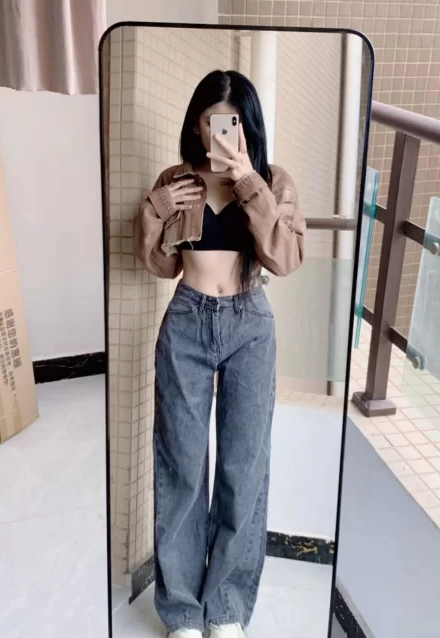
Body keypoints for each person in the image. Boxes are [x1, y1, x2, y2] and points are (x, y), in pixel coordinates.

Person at [134, 70, 305, 638]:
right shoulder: (175, 180)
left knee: (243, 467)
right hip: (187, 319)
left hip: (249, 324)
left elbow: (286, 258)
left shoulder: (272, 181)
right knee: (181, 465)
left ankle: (226, 608)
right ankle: (183, 610)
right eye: (210, 122)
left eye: (231, 123)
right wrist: (155, 209)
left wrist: (247, 182)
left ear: (248, 126)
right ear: (195, 125)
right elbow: (159, 265)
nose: (219, 134)